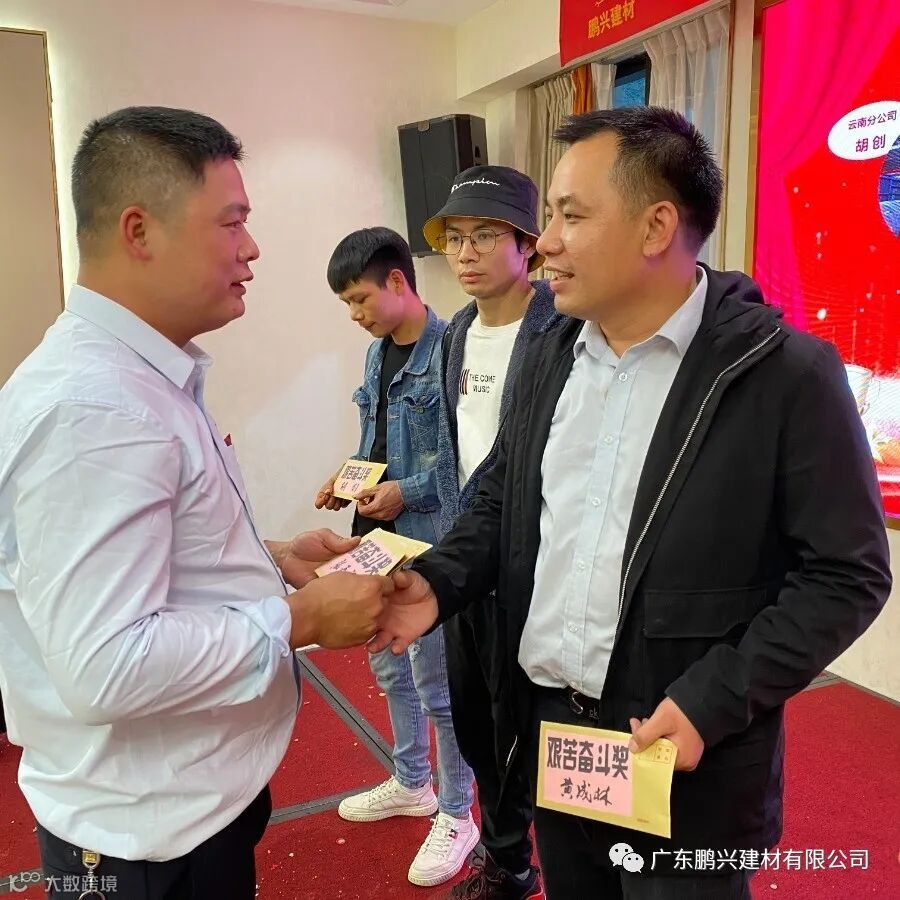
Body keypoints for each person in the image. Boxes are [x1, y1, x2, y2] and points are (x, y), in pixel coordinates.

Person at [375, 107, 892, 899]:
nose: (545, 242)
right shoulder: (552, 353)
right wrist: (438, 583)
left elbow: (846, 576)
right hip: (561, 732)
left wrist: (716, 698)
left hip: (683, 745)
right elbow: (504, 495)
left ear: (656, 227)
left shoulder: (783, 375)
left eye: (570, 216)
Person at [0, 106, 391, 900]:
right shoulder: (95, 408)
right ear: (139, 231)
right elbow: (106, 665)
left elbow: (152, 554)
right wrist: (301, 619)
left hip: (185, 808)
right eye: (231, 222)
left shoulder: (137, 377)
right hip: (145, 844)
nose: (252, 248)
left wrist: (272, 558)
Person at [315, 226, 478, 887]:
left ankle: (458, 812)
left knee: (439, 683)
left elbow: (465, 463)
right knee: (387, 664)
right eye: (346, 305)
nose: (355, 315)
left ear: (397, 281)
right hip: (375, 534)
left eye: (360, 299)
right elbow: (374, 440)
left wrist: (403, 491)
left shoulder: (451, 351)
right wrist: (346, 479)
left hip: (429, 537)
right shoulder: (377, 355)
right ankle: (413, 781)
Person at [420, 165, 558, 900]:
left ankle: (541, 855)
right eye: (455, 239)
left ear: (527, 244)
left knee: (535, 719)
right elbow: (456, 449)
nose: (465, 253)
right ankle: (508, 857)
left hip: (535, 563)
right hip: (466, 558)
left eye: (484, 236)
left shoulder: (561, 330)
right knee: (474, 716)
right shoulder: (456, 334)